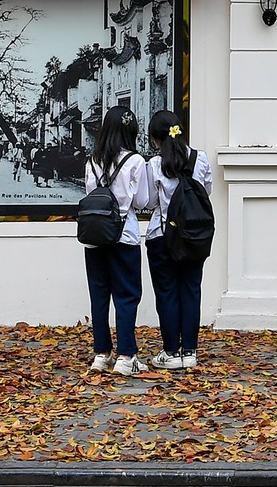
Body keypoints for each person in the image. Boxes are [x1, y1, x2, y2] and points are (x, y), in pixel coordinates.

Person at [142, 109, 212, 370]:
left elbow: (148, 202)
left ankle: (171, 352)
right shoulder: (200, 158)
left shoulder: (155, 165)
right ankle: (190, 352)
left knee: (167, 293)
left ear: (156, 139)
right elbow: (207, 191)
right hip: (195, 235)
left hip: (162, 236)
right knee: (191, 290)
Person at [83, 108, 151, 376]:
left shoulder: (92, 160)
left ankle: (101, 354)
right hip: (125, 234)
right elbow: (143, 201)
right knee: (127, 295)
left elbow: (91, 192)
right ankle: (126, 355)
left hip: (95, 237)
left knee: (99, 296)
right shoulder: (135, 161)